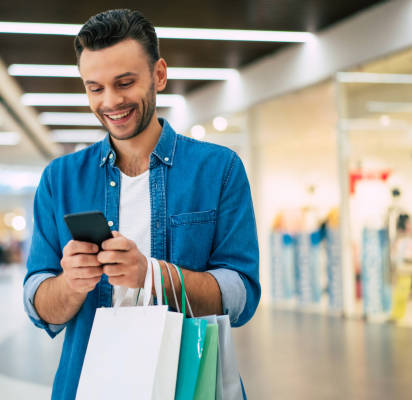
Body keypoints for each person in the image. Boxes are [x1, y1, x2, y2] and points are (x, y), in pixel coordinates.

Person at [23, 9, 260, 399]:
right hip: (89, 384)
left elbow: (241, 295)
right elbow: (38, 303)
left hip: (188, 385)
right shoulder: (60, 179)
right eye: (95, 88)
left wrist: (150, 274)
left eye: (125, 83)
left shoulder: (219, 170)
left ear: (159, 76)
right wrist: (71, 284)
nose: (110, 101)